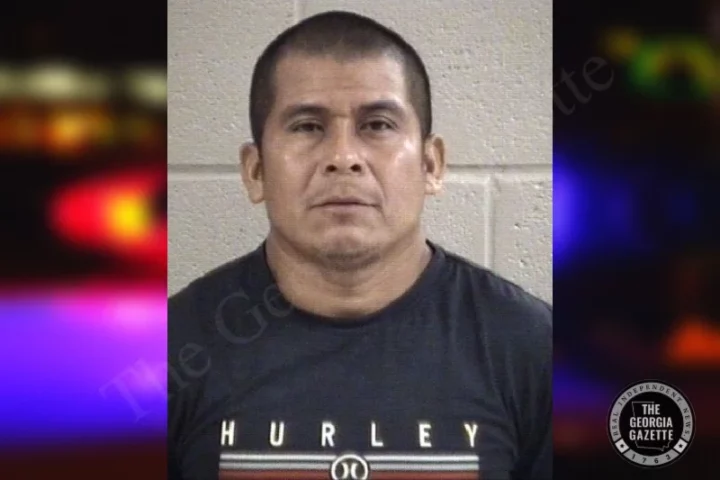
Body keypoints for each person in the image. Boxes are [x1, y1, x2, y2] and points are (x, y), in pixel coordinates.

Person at [168, 10, 552, 480]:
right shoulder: (172, 349)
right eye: (307, 126)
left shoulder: (532, 349)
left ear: (431, 165)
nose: (343, 157)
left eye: (378, 125)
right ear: (256, 171)